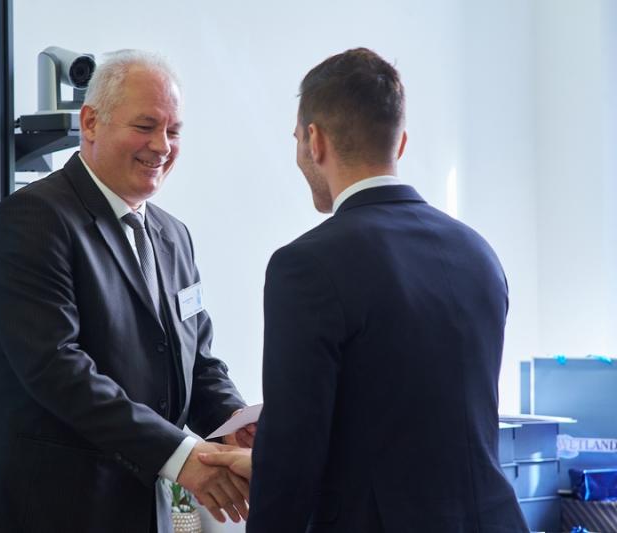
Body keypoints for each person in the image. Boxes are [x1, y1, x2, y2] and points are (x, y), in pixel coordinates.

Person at [203, 48, 529, 532]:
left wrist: (271, 476)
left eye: (297, 139)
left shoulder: (306, 265)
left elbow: (295, 452)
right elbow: (415, 422)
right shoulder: (478, 253)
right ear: (400, 144)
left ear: (314, 140)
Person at [0, 50, 253, 533]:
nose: (162, 146)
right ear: (90, 122)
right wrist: (182, 456)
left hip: (142, 512)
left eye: (174, 131)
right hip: (48, 514)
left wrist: (233, 422)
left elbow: (197, 363)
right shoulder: (32, 219)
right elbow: (57, 369)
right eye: (145, 126)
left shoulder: (174, 236)